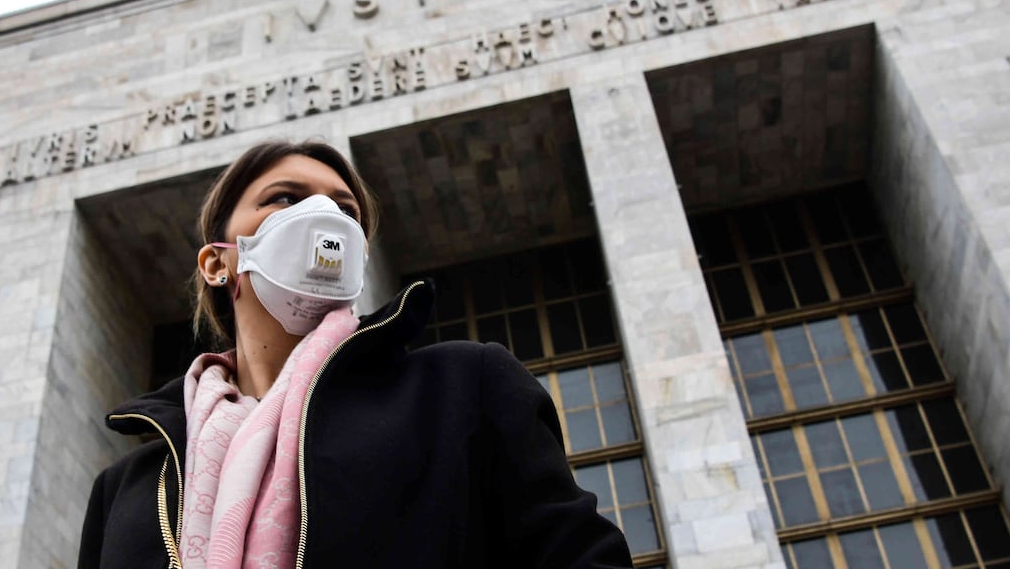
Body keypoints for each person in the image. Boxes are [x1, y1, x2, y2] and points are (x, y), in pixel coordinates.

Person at [77, 140, 633, 569]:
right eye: (285, 199)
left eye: (345, 210)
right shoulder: (126, 487)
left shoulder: (462, 388)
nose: (323, 216)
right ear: (218, 263)